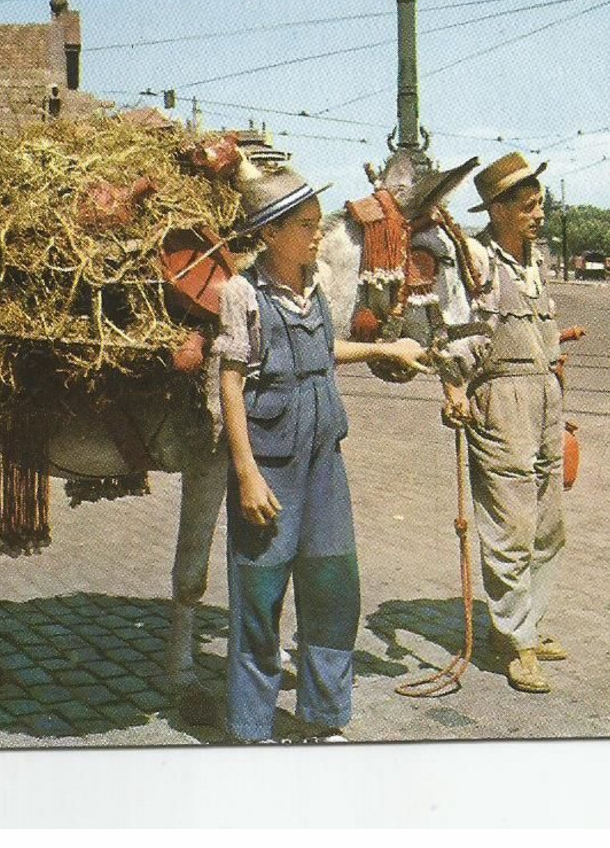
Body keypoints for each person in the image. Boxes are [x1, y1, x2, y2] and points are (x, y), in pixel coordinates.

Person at [215, 166, 426, 743]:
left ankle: (323, 716)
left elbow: (323, 349)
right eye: (305, 226)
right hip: (271, 462)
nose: (315, 236)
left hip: (324, 459)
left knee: (333, 587)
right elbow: (230, 380)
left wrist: (387, 346)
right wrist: (247, 473)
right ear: (270, 233)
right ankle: (252, 726)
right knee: (259, 596)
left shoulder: (313, 288)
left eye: (315, 225)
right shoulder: (243, 293)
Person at [439, 151, 569, 694]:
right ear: (497, 210)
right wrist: (452, 389)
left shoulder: (534, 262)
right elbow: (449, 333)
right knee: (510, 524)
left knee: (547, 523)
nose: (538, 214)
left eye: (540, 205)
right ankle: (514, 642)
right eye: (528, 206)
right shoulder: (476, 262)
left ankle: (530, 624)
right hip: (500, 399)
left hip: (545, 395)